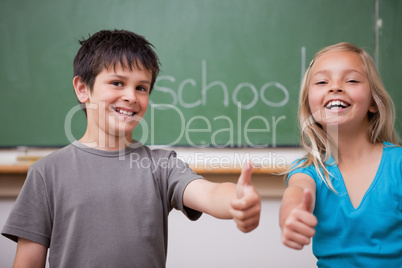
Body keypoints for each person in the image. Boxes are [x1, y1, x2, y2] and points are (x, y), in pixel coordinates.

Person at [2, 29, 261, 268]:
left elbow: (208, 193)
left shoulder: (162, 165)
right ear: (83, 89)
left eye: (141, 87)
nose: (131, 96)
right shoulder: (46, 173)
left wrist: (236, 200)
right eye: (117, 83)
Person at [279, 42, 401, 266]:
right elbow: (296, 193)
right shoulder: (308, 171)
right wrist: (291, 215)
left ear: (373, 102)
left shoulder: (398, 164)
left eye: (352, 80)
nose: (335, 87)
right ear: (309, 104)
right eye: (322, 82)